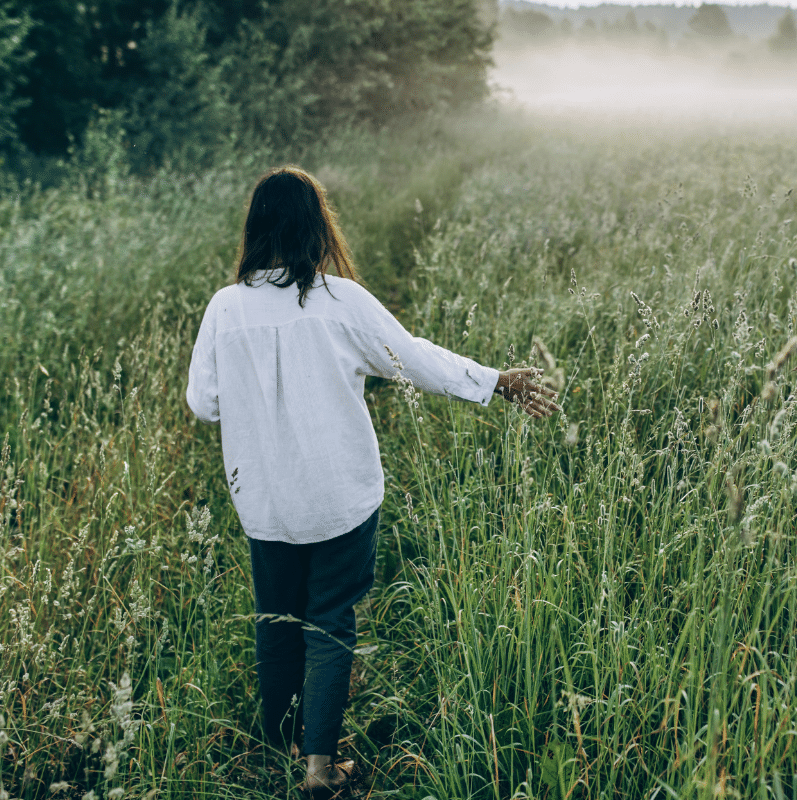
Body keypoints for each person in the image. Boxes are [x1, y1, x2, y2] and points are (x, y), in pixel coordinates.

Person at [185, 165, 560, 798]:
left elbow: (204, 403)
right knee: (329, 620)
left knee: (276, 619)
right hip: (339, 497)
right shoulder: (340, 301)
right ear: (316, 226)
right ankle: (318, 767)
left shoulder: (226, 308)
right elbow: (413, 359)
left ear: (255, 229)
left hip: (267, 503)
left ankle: (277, 748)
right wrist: (495, 380)